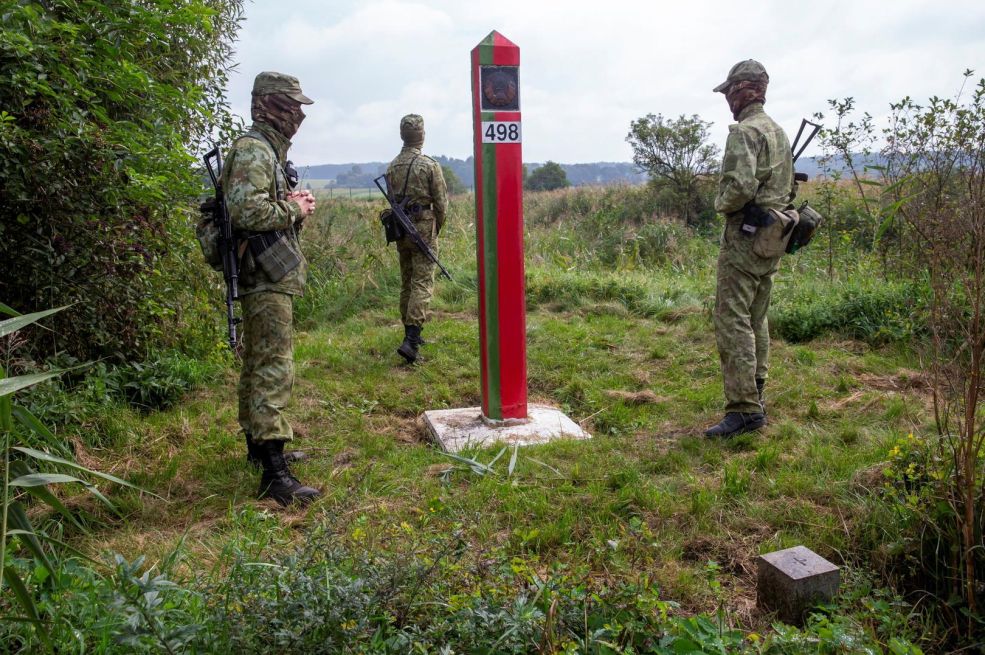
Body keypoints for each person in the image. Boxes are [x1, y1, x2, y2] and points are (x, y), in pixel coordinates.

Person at [222, 71, 320, 505]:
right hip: (263, 274)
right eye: (290, 104)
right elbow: (246, 212)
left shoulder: (265, 151)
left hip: (265, 272)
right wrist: (294, 209)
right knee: (274, 367)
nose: (297, 114)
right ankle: (275, 476)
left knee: (259, 362)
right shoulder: (254, 150)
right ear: (269, 104)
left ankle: (259, 449)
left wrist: (290, 206)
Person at [705, 60, 795, 438]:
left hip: (744, 239)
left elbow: (739, 189)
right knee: (757, 317)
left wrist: (720, 203)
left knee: (732, 319)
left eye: (730, 91)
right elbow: (788, 188)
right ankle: (756, 393)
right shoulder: (778, 132)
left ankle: (743, 409)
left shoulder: (743, 133)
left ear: (745, 90)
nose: (727, 99)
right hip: (773, 237)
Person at [385, 114, 448, 363]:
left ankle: (411, 334)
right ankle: (411, 341)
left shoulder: (392, 166)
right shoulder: (429, 165)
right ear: (422, 135)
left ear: (402, 135)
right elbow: (441, 204)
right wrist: (436, 228)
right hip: (423, 227)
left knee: (407, 282)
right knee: (422, 283)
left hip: (401, 229)